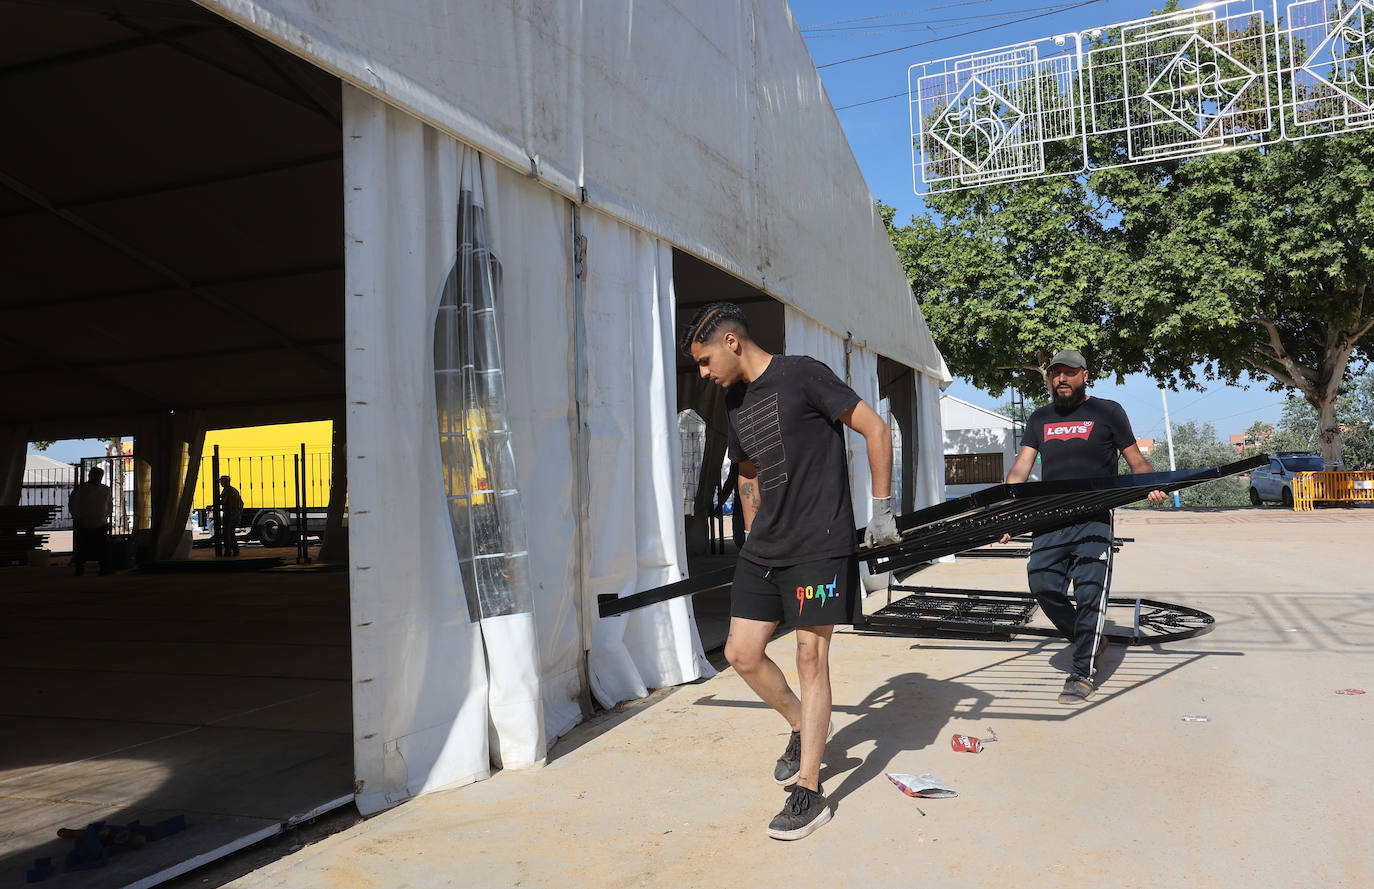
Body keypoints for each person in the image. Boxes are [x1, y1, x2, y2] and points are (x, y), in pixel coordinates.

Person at [682, 302, 901, 841]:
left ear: (731, 343)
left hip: (819, 542)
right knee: (740, 653)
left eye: (706, 361)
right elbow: (750, 474)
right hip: (766, 547)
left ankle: (811, 788)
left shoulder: (802, 375)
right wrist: (750, 535)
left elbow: (873, 427)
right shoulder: (735, 401)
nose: (704, 374)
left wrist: (882, 508)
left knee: (810, 654)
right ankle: (803, 728)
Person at [999, 349, 1166, 704]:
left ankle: (1082, 672)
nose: (1061, 379)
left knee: (1090, 595)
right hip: (1049, 519)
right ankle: (1092, 638)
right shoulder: (1039, 418)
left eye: (1069, 373)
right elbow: (1021, 469)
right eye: (1055, 373)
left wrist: (1150, 483)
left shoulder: (1107, 412)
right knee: (1042, 585)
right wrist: (1007, 511)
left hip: (1093, 518)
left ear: (1084, 376)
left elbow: (1135, 460)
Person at [68, 466, 113, 576]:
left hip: (100, 523)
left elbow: (109, 505)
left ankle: (103, 569)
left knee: (102, 548)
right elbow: (73, 504)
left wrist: (106, 518)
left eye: (99, 475)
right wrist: (77, 518)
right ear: (90, 476)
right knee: (82, 548)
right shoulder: (81, 489)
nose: (97, 477)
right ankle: (80, 569)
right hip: (84, 523)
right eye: (95, 475)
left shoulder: (106, 489)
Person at [219, 475, 244, 556]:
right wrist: (239, 513)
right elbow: (241, 503)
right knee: (231, 533)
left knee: (227, 534)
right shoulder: (234, 490)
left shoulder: (227, 491)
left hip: (229, 514)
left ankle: (228, 551)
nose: (220, 483)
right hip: (235, 514)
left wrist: (213, 505)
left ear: (225, 482)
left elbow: (223, 501)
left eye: (222, 481)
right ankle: (236, 550)